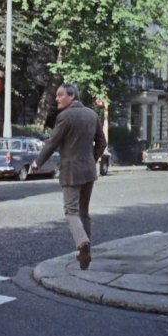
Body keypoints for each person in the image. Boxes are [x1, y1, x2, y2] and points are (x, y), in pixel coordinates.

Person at [30, 83, 107, 270]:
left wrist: (37, 163)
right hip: (89, 170)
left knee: (71, 211)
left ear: (72, 96)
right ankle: (86, 251)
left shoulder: (65, 116)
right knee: (84, 212)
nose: (56, 99)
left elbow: (52, 143)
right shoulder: (92, 114)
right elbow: (102, 142)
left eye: (60, 95)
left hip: (71, 171)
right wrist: (92, 158)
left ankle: (82, 244)